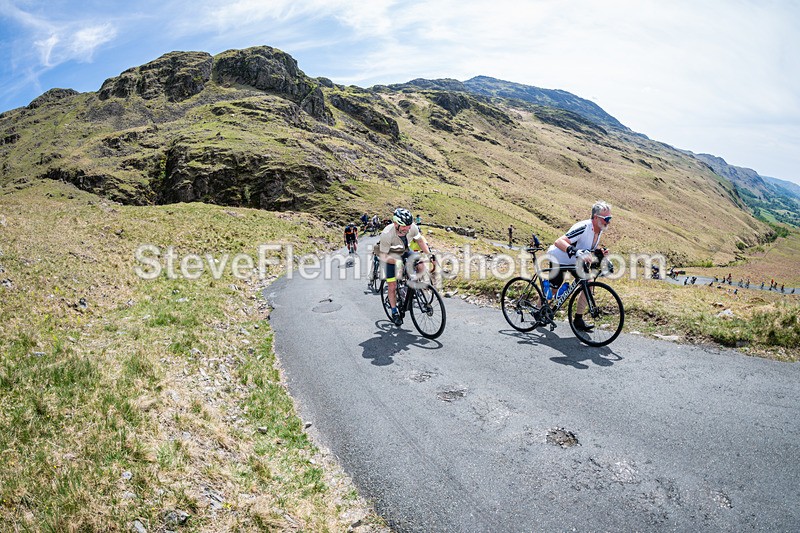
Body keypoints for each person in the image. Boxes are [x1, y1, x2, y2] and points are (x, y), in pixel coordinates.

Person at [546, 201, 612, 331]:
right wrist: (575, 251)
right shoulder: (583, 227)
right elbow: (559, 241)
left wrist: (598, 252)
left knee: (588, 284)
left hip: (575, 261)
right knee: (554, 289)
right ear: (596, 217)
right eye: (606, 219)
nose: (608, 222)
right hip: (559, 258)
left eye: (610, 218)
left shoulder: (599, 230)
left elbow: (585, 247)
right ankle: (539, 310)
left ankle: (578, 319)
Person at [378, 207, 432, 326]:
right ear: (395, 223)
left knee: (421, 265)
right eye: (403, 226)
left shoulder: (412, 227)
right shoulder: (386, 234)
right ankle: (394, 311)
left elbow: (420, 241)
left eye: (408, 226)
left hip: (405, 250)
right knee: (392, 286)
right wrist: (398, 263)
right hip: (389, 257)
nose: (407, 229)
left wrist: (429, 255)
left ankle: (412, 288)